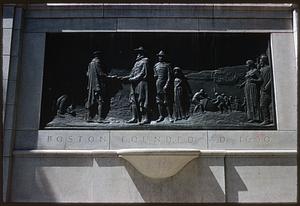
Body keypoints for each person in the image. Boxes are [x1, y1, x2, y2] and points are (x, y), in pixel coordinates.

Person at [122, 46, 151, 124]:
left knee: (142, 100)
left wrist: (134, 78)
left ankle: (146, 118)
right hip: (134, 84)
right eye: (138, 52)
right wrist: (124, 78)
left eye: (140, 52)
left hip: (142, 83)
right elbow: (132, 73)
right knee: (133, 101)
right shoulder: (136, 63)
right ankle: (134, 117)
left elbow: (143, 73)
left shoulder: (145, 61)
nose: (138, 54)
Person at [85, 51, 110, 123]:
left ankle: (88, 117)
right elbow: (100, 73)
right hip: (98, 85)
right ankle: (100, 118)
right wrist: (109, 76)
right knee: (100, 101)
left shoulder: (90, 63)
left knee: (90, 100)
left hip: (91, 86)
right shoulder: (98, 63)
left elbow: (87, 74)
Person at [153, 50, 174, 122]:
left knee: (167, 101)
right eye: (159, 56)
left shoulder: (167, 65)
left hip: (165, 84)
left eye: (161, 56)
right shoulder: (156, 65)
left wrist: (166, 85)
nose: (160, 57)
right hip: (158, 84)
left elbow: (169, 77)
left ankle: (170, 116)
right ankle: (161, 116)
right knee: (159, 101)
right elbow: (155, 75)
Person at [259, 54, 273, 125]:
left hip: (267, 89)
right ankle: (266, 119)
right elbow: (260, 79)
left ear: (264, 61)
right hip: (262, 89)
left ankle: (267, 120)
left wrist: (268, 85)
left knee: (264, 104)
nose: (260, 62)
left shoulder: (269, 68)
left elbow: (271, 78)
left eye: (261, 61)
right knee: (262, 105)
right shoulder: (261, 69)